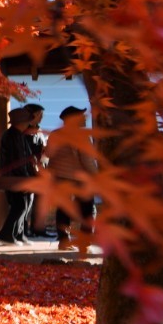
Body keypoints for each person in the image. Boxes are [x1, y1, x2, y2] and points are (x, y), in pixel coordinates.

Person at [47, 105, 99, 247]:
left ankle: (63, 240)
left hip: (59, 177)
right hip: (78, 178)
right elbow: (87, 159)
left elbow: (48, 154)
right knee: (88, 209)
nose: (84, 118)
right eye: (81, 116)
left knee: (63, 209)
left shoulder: (55, 134)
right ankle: (85, 240)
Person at [0, 105, 45, 243]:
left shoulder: (17, 135)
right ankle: (6, 235)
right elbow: (17, 159)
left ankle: (18, 234)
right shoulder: (12, 136)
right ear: (22, 122)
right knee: (20, 205)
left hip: (19, 175)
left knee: (25, 205)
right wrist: (25, 179)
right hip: (15, 177)